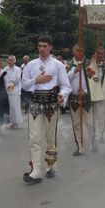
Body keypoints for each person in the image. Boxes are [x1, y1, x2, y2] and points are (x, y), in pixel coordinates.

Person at [21, 36, 71, 184]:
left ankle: (51, 165)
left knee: (50, 137)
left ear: (50, 47)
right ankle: (36, 171)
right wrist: (37, 80)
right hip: (35, 104)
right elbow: (24, 85)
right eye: (39, 46)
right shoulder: (31, 65)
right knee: (34, 138)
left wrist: (62, 95)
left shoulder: (58, 65)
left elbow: (66, 85)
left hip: (51, 104)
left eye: (44, 46)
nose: (41, 48)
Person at [68, 44, 95, 155]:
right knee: (76, 124)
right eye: (77, 50)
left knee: (89, 123)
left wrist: (85, 91)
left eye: (82, 50)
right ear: (73, 52)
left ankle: (93, 144)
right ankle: (80, 147)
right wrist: (74, 71)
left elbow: (95, 81)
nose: (80, 52)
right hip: (74, 98)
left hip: (86, 98)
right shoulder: (68, 65)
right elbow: (64, 79)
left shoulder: (89, 64)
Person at [87, 47, 105, 148]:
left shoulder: (103, 66)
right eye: (98, 54)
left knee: (100, 121)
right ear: (94, 54)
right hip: (91, 98)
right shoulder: (90, 67)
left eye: (102, 54)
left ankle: (98, 139)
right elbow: (90, 82)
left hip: (101, 98)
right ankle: (93, 141)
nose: (100, 55)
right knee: (90, 122)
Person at [5, 55, 23, 130]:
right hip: (8, 89)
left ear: (14, 61)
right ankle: (12, 122)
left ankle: (16, 123)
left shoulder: (18, 69)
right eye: (9, 60)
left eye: (11, 60)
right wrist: (8, 82)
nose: (10, 61)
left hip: (15, 90)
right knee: (10, 107)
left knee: (15, 106)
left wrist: (10, 81)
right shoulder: (5, 69)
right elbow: (5, 78)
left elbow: (17, 79)